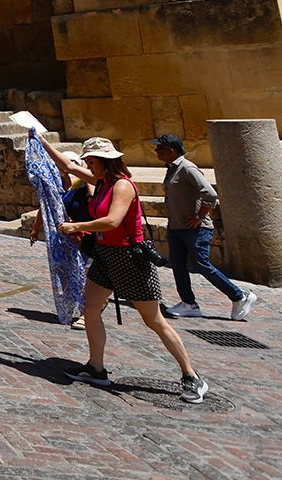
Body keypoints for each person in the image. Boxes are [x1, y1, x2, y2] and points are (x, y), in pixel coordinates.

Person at [52, 137, 209, 404]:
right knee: (91, 309)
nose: (88, 166)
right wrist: (37, 137)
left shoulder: (122, 185)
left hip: (129, 258)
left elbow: (113, 221)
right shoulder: (101, 181)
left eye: (92, 161)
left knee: (154, 320)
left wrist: (77, 227)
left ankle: (191, 375)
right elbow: (68, 165)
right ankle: (96, 367)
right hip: (105, 255)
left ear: (105, 162)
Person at [153, 133, 256, 321]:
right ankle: (188, 304)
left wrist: (200, 217)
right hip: (176, 228)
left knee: (202, 265)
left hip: (195, 230)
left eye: (159, 148)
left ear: (172, 151)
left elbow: (210, 194)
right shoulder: (172, 168)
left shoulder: (187, 168)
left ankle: (239, 296)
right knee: (178, 265)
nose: (156, 151)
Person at [29, 147, 92, 329]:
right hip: (67, 238)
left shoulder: (85, 184)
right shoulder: (60, 186)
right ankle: (77, 308)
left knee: (86, 275)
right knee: (72, 275)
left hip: (85, 236)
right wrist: (36, 229)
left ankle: (87, 314)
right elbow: (45, 206)